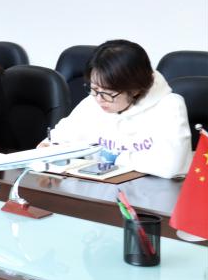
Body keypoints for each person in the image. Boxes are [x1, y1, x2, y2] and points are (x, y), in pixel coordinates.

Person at [41, 40, 191, 179]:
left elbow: (170, 165)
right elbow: (59, 138)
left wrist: (115, 157)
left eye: (108, 93)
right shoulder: (94, 101)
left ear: (135, 90)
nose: (99, 98)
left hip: (151, 192)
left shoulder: (169, 106)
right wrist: (49, 149)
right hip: (100, 188)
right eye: (94, 88)